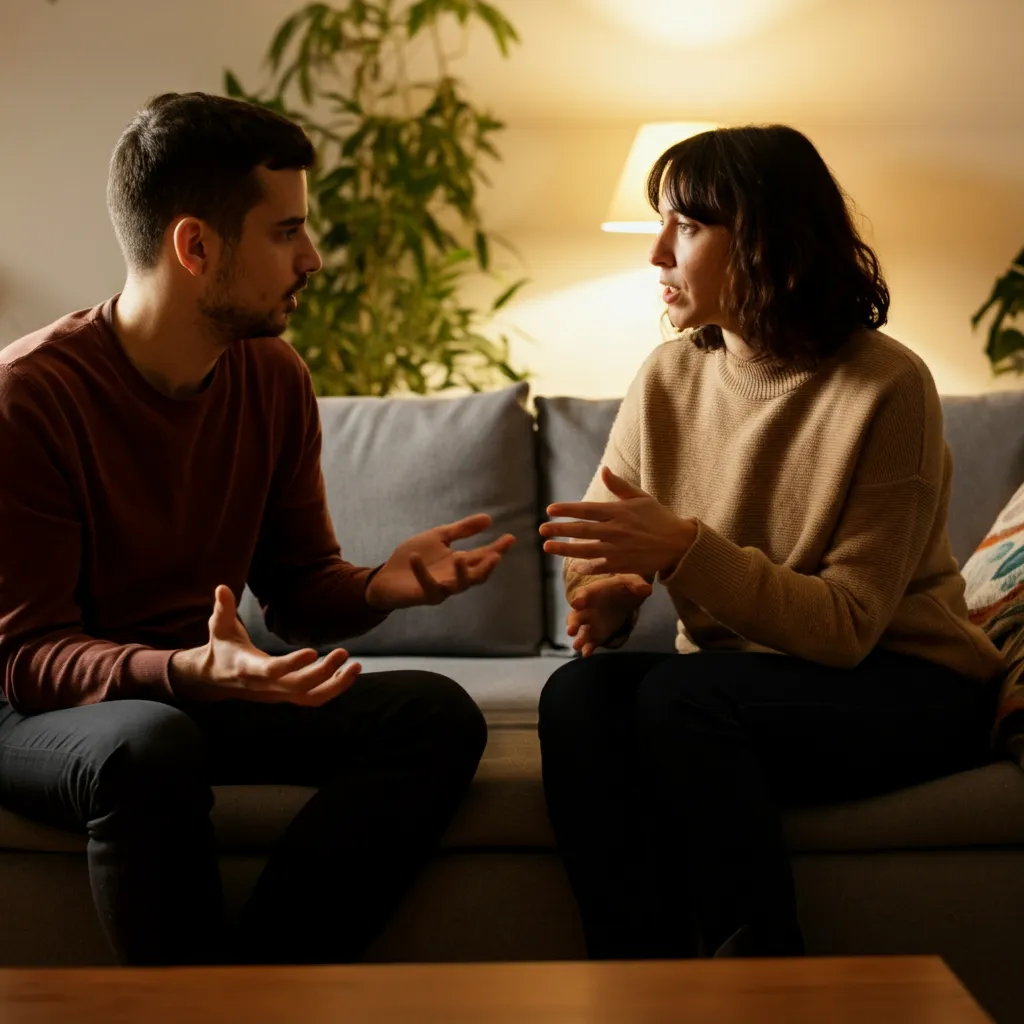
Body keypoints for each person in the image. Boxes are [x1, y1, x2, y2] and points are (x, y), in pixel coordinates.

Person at [0, 92, 515, 966]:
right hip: (35, 708)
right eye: (286, 233)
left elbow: (301, 585)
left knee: (433, 714)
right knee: (148, 740)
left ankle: (259, 989)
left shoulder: (273, 377)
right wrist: (186, 673)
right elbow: (28, 656)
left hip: (193, 688)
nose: (312, 258)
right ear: (195, 246)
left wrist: (379, 586)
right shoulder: (29, 397)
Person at [536, 125, 1004, 960]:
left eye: (685, 226)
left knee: (682, 698)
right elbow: (599, 549)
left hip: (907, 684)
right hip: (738, 689)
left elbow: (847, 627)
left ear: (763, 240)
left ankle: (764, 990)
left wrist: (684, 551)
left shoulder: (887, 386)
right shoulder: (667, 377)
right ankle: (639, 981)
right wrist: (601, 601)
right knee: (578, 699)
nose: (656, 255)